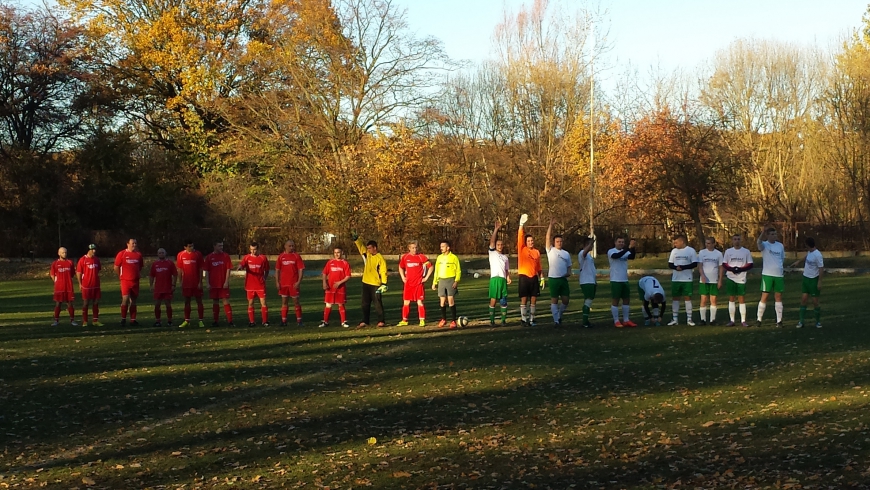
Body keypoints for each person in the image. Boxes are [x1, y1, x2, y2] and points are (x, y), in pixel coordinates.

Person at [352, 231, 388, 328]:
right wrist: (356, 240)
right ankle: (365, 321)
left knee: (377, 304)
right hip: (366, 283)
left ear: (375, 248)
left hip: (376, 284)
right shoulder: (367, 255)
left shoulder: (380, 259)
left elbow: (383, 272)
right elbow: (361, 247)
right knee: (365, 304)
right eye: (367, 248)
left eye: (370, 248)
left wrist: (384, 283)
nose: (368, 250)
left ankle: (381, 321)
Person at [790, 237, 824, 328]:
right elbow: (806, 257)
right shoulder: (810, 252)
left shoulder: (818, 255)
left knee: (815, 302)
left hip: (813, 280)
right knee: (804, 300)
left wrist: (819, 282)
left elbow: (821, 268)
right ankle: (801, 321)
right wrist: (798, 262)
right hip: (806, 279)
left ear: (808, 245)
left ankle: (817, 322)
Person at [397, 240, 432, 326]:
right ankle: (404, 321)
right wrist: (402, 277)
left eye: (416, 248)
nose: (414, 250)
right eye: (412, 248)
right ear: (409, 248)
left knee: (419, 302)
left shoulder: (421, 257)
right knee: (406, 302)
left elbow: (430, 267)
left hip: (418, 284)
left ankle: (422, 320)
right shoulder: (405, 257)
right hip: (408, 284)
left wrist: (426, 278)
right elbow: (401, 267)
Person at [517, 213, 543, 326]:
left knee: (533, 299)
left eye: (532, 241)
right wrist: (521, 225)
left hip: (533, 277)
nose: (530, 242)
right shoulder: (522, 249)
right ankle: (524, 319)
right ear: (526, 242)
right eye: (528, 241)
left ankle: (532, 319)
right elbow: (520, 237)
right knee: (524, 299)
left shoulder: (536, 252)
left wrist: (541, 277)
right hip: (524, 277)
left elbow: (539, 267)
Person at [756, 226, 786, 328]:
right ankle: (759, 319)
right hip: (767, 275)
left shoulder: (780, 246)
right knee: (765, 296)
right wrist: (762, 233)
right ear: (767, 235)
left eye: (775, 234)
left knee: (778, 297)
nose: (774, 236)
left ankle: (779, 320)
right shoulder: (765, 245)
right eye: (772, 234)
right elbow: (758, 242)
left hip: (779, 275)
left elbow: (782, 258)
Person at [545, 219, 572, 326]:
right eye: (557, 241)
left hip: (563, 279)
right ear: (554, 243)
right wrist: (550, 225)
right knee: (554, 300)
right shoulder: (550, 250)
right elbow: (547, 238)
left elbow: (569, 266)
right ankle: (556, 320)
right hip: (553, 279)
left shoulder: (566, 253)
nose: (559, 243)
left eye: (560, 241)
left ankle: (559, 315)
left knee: (566, 300)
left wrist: (568, 273)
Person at [722, 233, 754, 327]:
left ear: (741, 240)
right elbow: (725, 264)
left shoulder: (746, 251)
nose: (737, 241)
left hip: (741, 278)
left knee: (741, 299)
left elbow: (750, 264)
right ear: (732, 240)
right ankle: (732, 320)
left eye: (738, 239)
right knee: (731, 298)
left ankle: (743, 320)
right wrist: (733, 269)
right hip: (731, 277)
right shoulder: (728, 251)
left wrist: (740, 269)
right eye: (735, 239)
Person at [667, 235, 698, 326]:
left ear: (682, 242)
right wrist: (676, 268)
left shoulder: (691, 250)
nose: (675, 244)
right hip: (676, 279)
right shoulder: (674, 251)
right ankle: (675, 319)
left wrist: (683, 267)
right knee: (675, 298)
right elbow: (670, 264)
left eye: (676, 242)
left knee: (687, 298)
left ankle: (689, 319)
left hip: (687, 279)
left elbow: (694, 264)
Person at [238, 241, 270, 327]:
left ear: (258, 249)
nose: (253, 251)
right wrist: (240, 267)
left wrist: (264, 278)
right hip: (250, 285)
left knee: (263, 302)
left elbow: (267, 270)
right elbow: (242, 264)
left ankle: (265, 321)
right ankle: (252, 321)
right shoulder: (247, 258)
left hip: (260, 285)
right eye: (251, 249)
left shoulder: (263, 258)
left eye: (255, 249)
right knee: (250, 303)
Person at [608, 237, 637, 327]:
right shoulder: (611, 251)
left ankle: (626, 319)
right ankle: (616, 320)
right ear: (615, 242)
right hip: (615, 280)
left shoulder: (625, 251)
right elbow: (616, 256)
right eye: (619, 242)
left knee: (626, 300)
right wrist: (628, 248)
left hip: (624, 279)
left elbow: (631, 256)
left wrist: (633, 248)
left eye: (623, 242)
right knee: (615, 300)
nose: (621, 243)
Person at [204, 240, 234, 327]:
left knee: (225, 300)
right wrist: (207, 283)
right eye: (219, 246)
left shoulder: (225, 256)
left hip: (223, 283)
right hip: (213, 283)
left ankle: (230, 321)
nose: (221, 247)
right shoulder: (209, 257)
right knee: (215, 301)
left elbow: (228, 269)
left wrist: (226, 281)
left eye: (222, 246)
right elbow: (207, 271)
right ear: (214, 246)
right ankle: (215, 321)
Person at [432, 239, 461, 328]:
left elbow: (458, 270)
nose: (441, 248)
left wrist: (456, 281)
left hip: (450, 280)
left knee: (451, 300)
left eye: (443, 246)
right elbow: (436, 271)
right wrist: (434, 282)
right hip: (441, 280)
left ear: (448, 248)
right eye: (441, 247)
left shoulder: (454, 257)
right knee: (442, 301)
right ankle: (443, 319)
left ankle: (453, 320)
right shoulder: (439, 258)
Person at [114, 238, 144, 327]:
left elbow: (140, 266)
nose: (134, 245)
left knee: (133, 300)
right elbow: (116, 267)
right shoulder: (122, 254)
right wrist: (121, 275)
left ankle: (133, 320)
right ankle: (123, 319)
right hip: (125, 281)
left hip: (135, 281)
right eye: (132, 243)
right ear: (127, 244)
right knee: (125, 299)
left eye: (135, 243)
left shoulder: (138, 255)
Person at [320, 247, 352, 328]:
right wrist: (324, 282)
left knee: (341, 304)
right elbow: (324, 273)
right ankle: (325, 322)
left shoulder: (345, 263)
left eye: (338, 252)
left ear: (342, 253)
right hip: (330, 287)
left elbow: (348, 276)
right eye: (335, 252)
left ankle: (343, 322)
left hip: (340, 287)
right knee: (328, 304)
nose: (337, 254)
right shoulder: (330, 262)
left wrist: (339, 282)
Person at [275, 240, 305, 327]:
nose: (291, 247)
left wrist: (299, 281)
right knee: (284, 302)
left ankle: (299, 321)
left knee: (296, 302)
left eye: (292, 246)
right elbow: (277, 270)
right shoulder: (281, 257)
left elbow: (301, 269)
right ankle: (284, 321)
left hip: (293, 283)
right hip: (284, 284)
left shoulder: (296, 256)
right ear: (285, 246)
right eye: (290, 246)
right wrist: (277, 282)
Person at [176, 239, 205, 328]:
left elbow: (200, 268)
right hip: (186, 282)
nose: (192, 248)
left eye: (192, 246)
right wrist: (180, 281)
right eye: (189, 246)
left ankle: (201, 320)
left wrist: (200, 282)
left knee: (199, 301)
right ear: (185, 247)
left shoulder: (198, 254)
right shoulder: (181, 255)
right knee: (187, 301)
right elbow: (180, 269)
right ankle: (187, 320)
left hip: (196, 282)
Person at [487, 220, 511, 327]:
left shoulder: (505, 257)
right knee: (493, 300)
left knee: (503, 301)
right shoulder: (492, 253)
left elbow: (506, 270)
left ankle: (503, 320)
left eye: (501, 244)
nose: (500, 246)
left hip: (502, 279)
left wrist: (508, 277)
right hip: (494, 279)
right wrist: (496, 229)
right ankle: (492, 321)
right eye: (498, 244)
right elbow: (492, 242)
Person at [697, 237, 724, 325]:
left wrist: (720, 280)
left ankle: (712, 319)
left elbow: (721, 267)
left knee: (713, 299)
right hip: (704, 280)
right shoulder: (702, 253)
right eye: (706, 243)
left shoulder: (718, 254)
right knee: (703, 299)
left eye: (709, 243)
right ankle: (703, 319)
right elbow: (700, 265)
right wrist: (702, 276)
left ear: (713, 244)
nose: (707, 245)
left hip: (714, 280)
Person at [149, 248, 178, 327]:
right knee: (157, 304)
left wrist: (173, 285)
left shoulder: (170, 263)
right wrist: (151, 285)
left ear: (165, 253)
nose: (161, 254)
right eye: (159, 253)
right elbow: (151, 275)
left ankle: (169, 320)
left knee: (168, 304)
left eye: (162, 253)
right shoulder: (155, 264)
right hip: (158, 288)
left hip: (167, 287)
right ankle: (158, 321)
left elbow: (175, 274)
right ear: (157, 254)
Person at [50, 247, 78, 327]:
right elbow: (52, 274)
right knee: (58, 303)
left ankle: (72, 320)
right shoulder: (55, 263)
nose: (64, 254)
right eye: (63, 252)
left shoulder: (70, 262)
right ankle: (56, 320)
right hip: (59, 287)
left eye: (65, 252)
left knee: (70, 303)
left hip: (68, 287)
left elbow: (72, 274)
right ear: (59, 253)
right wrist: (56, 282)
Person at [77, 244, 103, 327]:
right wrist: (80, 283)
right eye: (92, 249)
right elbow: (79, 272)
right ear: (88, 250)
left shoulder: (96, 260)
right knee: (86, 303)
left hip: (96, 284)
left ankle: (95, 320)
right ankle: (85, 321)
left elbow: (98, 270)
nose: (94, 251)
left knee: (96, 302)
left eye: (95, 249)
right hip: (87, 285)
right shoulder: (83, 260)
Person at [577, 236, 596, 328]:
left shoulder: (589, 256)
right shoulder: (582, 253)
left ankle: (586, 319)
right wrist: (591, 243)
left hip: (591, 280)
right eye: (590, 245)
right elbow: (584, 252)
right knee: (588, 299)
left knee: (588, 300)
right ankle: (585, 322)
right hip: (586, 281)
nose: (592, 246)